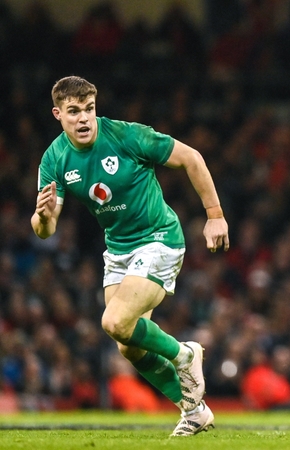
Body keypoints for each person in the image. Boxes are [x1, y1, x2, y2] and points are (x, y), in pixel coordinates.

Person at [32, 76, 230, 436]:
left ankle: (185, 355)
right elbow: (46, 227)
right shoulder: (54, 158)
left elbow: (191, 157)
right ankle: (194, 411)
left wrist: (215, 216)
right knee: (128, 346)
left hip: (159, 238)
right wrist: (42, 216)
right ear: (58, 114)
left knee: (113, 322)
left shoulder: (126, 135)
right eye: (74, 112)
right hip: (119, 249)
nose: (84, 119)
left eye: (89, 109)